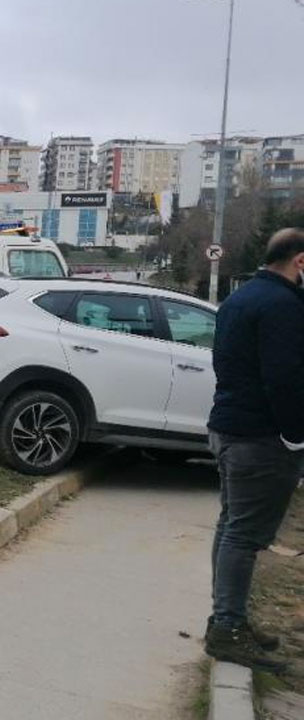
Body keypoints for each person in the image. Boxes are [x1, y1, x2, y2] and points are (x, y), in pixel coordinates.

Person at [204, 227, 304, 673]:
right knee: (243, 535)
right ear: (300, 261)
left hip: (228, 428)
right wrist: (295, 436)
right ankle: (227, 627)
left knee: (231, 529)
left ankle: (230, 620)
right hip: (259, 438)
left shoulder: (241, 298)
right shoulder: (282, 306)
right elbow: (284, 379)